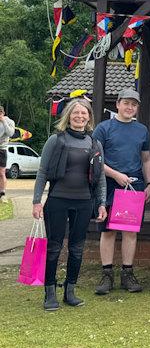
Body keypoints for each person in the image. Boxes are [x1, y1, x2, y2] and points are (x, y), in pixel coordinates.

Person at [32, 98, 107, 311]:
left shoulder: (94, 143)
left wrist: (101, 203)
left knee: (77, 248)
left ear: (89, 117)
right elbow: (42, 172)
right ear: (68, 116)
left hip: (84, 202)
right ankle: (49, 293)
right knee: (54, 247)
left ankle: (70, 291)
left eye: (84, 113)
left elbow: (100, 176)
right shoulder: (56, 140)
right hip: (57, 200)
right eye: (76, 113)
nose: (80, 117)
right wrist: (37, 201)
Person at [94, 89, 150, 295]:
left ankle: (127, 273)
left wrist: (149, 184)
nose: (130, 108)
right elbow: (95, 160)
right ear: (117, 104)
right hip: (109, 185)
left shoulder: (142, 130)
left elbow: (146, 159)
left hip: (134, 186)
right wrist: (115, 175)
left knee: (130, 231)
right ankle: (106, 274)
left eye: (134, 105)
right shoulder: (103, 129)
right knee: (108, 231)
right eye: (126, 103)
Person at [0, 105, 15, 203]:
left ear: (3, 113)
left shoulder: (9, 121)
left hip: (2, 149)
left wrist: (3, 121)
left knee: (1, 172)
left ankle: (2, 193)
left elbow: (10, 133)